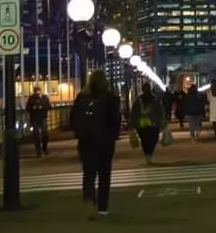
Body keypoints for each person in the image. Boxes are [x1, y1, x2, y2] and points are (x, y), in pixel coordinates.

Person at [70, 71, 121, 219]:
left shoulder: (82, 97)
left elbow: (73, 118)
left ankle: (89, 202)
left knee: (89, 174)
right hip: (105, 141)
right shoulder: (110, 97)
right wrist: (113, 135)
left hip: (86, 142)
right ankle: (102, 207)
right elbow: (115, 119)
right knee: (104, 175)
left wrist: (80, 134)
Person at [130, 83, 165, 164]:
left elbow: (134, 112)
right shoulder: (155, 99)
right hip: (153, 123)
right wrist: (161, 122)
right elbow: (160, 111)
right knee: (153, 139)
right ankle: (149, 154)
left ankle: (147, 154)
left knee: (145, 140)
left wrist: (134, 122)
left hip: (141, 124)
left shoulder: (138, 100)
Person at [25, 86, 52, 157]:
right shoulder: (31, 99)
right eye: (36, 92)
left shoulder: (44, 98)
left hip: (43, 118)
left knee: (44, 134)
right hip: (34, 119)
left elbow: (49, 107)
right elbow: (27, 108)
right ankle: (38, 151)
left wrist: (42, 106)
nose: (37, 93)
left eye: (38, 91)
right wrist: (33, 108)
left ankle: (45, 148)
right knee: (36, 135)